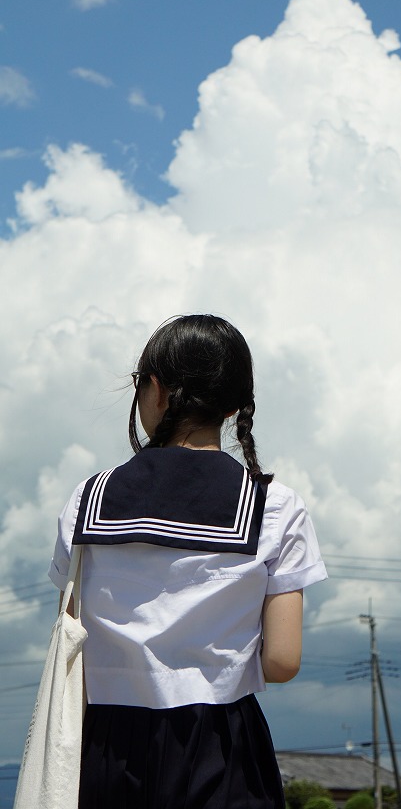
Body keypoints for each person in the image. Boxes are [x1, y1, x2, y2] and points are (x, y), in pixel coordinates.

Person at [49, 314, 327, 809]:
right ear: (236, 403)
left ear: (155, 390)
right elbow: (283, 661)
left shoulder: (88, 500)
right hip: (224, 743)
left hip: (107, 745)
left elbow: (73, 642)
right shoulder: (274, 505)